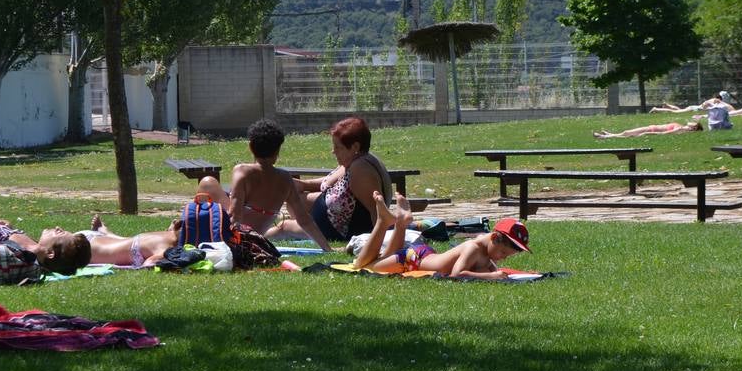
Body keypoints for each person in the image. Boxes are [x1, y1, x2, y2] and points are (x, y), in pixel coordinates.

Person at [193, 118, 334, 251]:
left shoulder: (242, 171)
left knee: (208, 183)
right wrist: (327, 248)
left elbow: (235, 215)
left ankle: (195, 231)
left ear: (250, 146)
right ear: (277, 150)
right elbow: (304, 219)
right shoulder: (285, 179)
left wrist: (233, 244)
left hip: (237, 235)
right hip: (257, 235)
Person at [277, 116, 392, 249]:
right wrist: (304, 185)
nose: (333, 151)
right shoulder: (357, 160)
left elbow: (377, 211)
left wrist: (377, 245)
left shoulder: (360, 170)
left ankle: (258, 237)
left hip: (339, 229)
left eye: (338, 147)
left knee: (283, 226)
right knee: (296, 200)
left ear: (355, 147)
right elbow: (331, 181)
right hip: (334, 214)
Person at [355, 192, 529, 279]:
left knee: (381, 258)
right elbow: (456, 275)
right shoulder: (473, 248)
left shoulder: (487, 251)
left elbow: (492, 270)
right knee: (364, 265)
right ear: (494, 238)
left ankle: (400, 223)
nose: (503, 257)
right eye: (503, 253)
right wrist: (490, 276)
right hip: (412, 260)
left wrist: (493, 273)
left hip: (424, 255)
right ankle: (382, 221)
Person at [593, 121, 703, 139]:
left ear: (693, 128)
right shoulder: (681, 127)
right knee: (627, 133)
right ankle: (609, 134)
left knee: (627, 134)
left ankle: (604, 137)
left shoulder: (680, 129)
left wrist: (648, 133)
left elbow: (665, 133)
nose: (692, 121)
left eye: (694, 124)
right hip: (651, 128)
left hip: (651, 130)